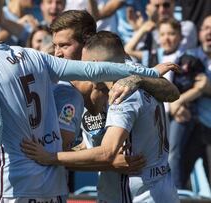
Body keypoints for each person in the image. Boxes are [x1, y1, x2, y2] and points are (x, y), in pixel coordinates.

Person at [0, 5, 178, 203]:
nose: (58, 53)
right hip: (108, 190)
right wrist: (104, 160)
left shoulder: (119, 76)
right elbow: (68, 150)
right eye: (55, 46)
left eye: (64, 46)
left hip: (142, 191)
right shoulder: (59, 80)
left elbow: (170, 91)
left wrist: (139, 77)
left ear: (86, 43)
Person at [22, 31, 180, 203]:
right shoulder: (137, 76)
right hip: (160, 186)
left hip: (138, 195)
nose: (83, 70)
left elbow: (106, 153)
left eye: (85, 64)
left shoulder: (122, 92)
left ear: (95, 65)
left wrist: (50, 157)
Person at [181, 15, 211, 188]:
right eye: (206, 28)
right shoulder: (188, 57)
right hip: (187, 127)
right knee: (178, 181)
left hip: (210, 129)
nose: (210, 32)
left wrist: (208, 88)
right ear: (199, 33)